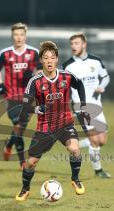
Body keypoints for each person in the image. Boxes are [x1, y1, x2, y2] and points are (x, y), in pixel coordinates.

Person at [15, 41, 90, 201]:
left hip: (65, 123)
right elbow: (26, 107)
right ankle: (25, 189)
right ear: (41, 60)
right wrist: (36, 109)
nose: (49, 61)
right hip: (45, 128)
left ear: (57, 60)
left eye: (52, 57)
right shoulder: (35, 82)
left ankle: (75, 179)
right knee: (31, 163)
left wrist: (83, 106)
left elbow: (80, 85)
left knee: (75, 149)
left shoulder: (66, 76)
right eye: (46, 58)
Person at [63, 33, 111, 178]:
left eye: (77, 43)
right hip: (81, 107)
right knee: (95, 140)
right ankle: (98, 171)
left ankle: (76, 142)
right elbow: (64, 88)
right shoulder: (68, 66)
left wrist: (102, 86)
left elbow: (106, 76)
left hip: (97, 105)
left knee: (102, 140)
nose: (73, 46)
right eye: (72, 44)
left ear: (84, 44)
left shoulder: (96, 61)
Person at [0, 22, 40, 169]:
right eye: (16, 35)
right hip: (11, 96)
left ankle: (9, 144)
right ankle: (22, 162)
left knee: (20, 128)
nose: (18, 37)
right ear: (12, 36)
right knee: (18, 126)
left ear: (25, 36)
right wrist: (0, 84)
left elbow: (39, 71)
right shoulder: (5, 53)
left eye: (21, 34)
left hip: (28, 97)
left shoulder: (33, 53)